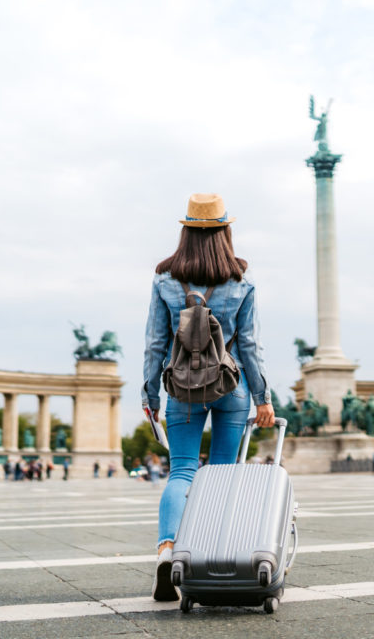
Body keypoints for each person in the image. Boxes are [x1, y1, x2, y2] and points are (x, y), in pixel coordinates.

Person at [142, 194, 275, 602]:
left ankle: (167, 549)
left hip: (181, 388)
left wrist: (150, 393)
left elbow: (155, 343)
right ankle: (206, 556)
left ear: (186, 231)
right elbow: (250, 345)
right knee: (219, 476)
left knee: (182, 471)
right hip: (230, 387)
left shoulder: (165, 280)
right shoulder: (241, 281)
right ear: (225, 231)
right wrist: (263, 397)